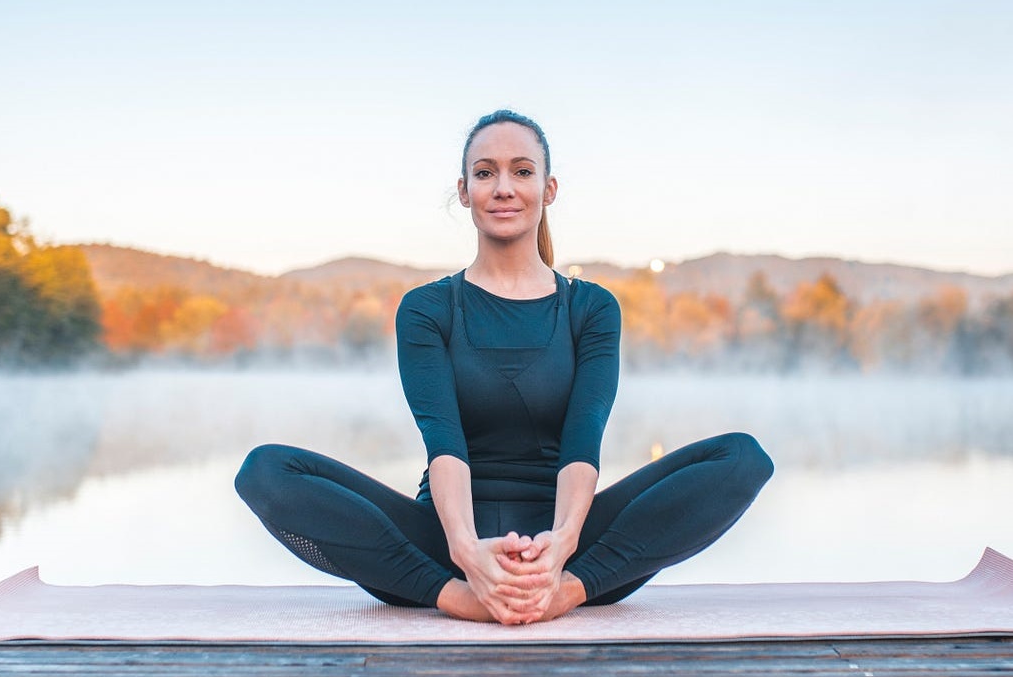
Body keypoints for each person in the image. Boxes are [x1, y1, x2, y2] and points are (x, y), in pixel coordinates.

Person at [235, 110, 773, 624]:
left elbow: (583, 442)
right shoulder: (428, 309)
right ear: (465, 190)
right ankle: (457, 600)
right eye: (485, 173)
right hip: (443, 546)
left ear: (549, 189)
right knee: (265, 471)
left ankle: (563, 597)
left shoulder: (591, 308)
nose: (504, 188)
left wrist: (560, 552)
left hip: (574, 551)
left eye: (522, 171)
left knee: (742, 459)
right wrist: (468, 557)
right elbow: (443, 444)